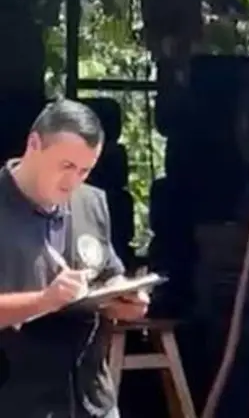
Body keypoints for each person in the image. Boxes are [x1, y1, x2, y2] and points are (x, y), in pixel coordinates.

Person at [0, 99, 150, 417]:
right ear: (34, 144)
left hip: (90, 397)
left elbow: (107, 271)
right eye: (66, 166)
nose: (73, 181)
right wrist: (43, 301)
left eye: (85, 170)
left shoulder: (90, 202)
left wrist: (123, 297)